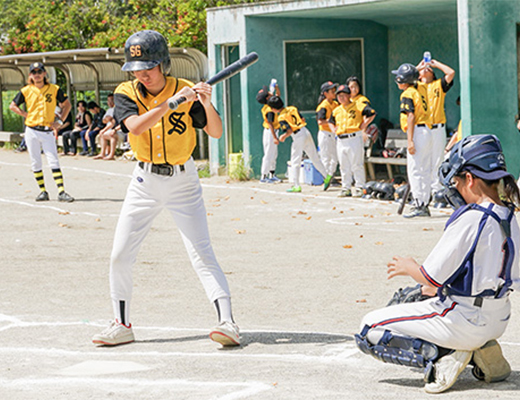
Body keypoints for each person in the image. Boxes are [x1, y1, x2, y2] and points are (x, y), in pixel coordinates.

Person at [92, 30, 239, 347]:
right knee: (120, 254)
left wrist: (204, 102)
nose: (142, 74)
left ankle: (228, 323)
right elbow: (134, 126)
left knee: (201, 252)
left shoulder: (186, 90)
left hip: (183, 181)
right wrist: (170, 104)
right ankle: (121, 324)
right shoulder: (126, 91)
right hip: (144, 182)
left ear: (164, 64)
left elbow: (214, 132)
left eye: (149, 66)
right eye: (136, 67)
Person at [355, 134, 519, 393]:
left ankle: (445, 355)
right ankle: (482, 351)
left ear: (470, 179)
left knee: (368, 329)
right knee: (423, 296)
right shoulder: (509, 215)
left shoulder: (471, 217)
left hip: (463, 319)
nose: (454, 187)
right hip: (499, 318)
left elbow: (430, 277)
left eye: (457, 180)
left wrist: (409, 267)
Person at [9, 62, 74, 202]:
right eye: (34, 72)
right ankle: (43, 191)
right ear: (30, 75)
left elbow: (67, 105)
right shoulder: (26, 90)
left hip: (47, 130)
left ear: (45, 74)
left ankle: (61, 191)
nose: (37, 75)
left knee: (53, 160)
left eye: (39, 72)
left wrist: (60, 121)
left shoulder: (54, 89)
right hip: (32, 130)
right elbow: (12, 105)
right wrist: (26, 115)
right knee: (35, 162)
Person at [267, 95, 332, 193]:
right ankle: (326, 176)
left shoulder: (281, 117)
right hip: (305, 131)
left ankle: (296, 185)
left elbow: (289, 130)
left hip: (297, 136)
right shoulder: (292, 108)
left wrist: (283, 136)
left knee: (295, 161)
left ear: (273, 109)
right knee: (314, 158)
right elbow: (303, 120)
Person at [392, 63, 432, 218]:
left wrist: (410, 141)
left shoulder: (407, 93)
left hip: (416, 132)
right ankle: (424, 203)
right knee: (424, 170)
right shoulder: (421, 88)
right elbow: (414, 77)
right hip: (427, 131)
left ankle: (419, 204)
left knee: (415, 170)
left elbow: (410, 116)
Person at [329, 84, 376, 197]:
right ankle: (346, 188)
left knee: (356, 164)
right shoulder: (336, 110)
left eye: (344, 95)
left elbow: (372, 113)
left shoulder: (358, 105)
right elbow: (330, 121)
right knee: (344, 165)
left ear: (349, 95)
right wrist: (333, 129)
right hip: (341, 139)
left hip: (354, 137)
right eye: (339, 96)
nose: (341, 98)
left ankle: (360, 187)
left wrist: (364, 124)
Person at [417, 58, 456, 195]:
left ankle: (437, 190)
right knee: (423, 160)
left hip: (438, 128)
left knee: (437, 159)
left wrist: (436, 64)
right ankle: (424, 190)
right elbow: (404, 80)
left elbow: (451, 73)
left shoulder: (438, 85)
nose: (427, 68)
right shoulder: (416, 86)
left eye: (429, 69)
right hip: (422, 129)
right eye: (424, 69)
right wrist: (418, 67)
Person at [256, 84, 281, 183]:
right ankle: (264, 176)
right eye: (269, 93)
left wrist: (276, 88)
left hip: (274, 131)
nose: (271, 93)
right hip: (270, 132)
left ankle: (272, 174)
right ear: (267, 97)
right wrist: (275, 137)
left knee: (274, 154)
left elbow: (278, 95)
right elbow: (270, 124)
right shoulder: (269, 109)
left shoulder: (272, 103)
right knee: (268, 154)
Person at [315, 81, 339, 179]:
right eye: (331, 90)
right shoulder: (323, 106)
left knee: (335, 158)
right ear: (325, 93)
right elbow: (320, 122)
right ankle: (326, 179)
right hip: (325, 134)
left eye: (334, 90)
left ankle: (330, 177)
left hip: (333, 134)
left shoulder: (335, 104)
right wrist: (331, 123)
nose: (334, 92)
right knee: (326, 158)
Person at [94, 93, 122, 160]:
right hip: (111, 129)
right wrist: (104, 128)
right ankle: (102, 153)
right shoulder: (109, 110)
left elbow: (116, 123)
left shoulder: (119, 110)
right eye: (108, 100)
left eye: (112, 100)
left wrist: (114, 129)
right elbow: (105, 121)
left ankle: (111, 155)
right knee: (102, 134)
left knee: (112, 135)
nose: (110, 102)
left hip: (120, 130)